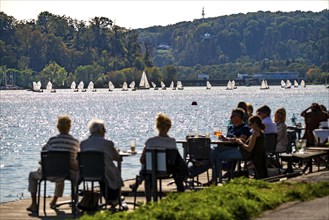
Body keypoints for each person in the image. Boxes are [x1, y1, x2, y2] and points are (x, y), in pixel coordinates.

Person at [27, 115, 80, 212]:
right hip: (66, 173)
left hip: (49, 173)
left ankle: (34, 204)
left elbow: (44, 153)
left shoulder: (52, 140)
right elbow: (76, 159)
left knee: (32, 175)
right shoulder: (75, 142)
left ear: (58, 127)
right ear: (70, 127)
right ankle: (72, 201)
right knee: (70, 175)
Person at [140, 113, 187, 202]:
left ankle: (149, 201)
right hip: (168, 171)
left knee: (146, 175)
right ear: (169, 127)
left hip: (150, 173)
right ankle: (181, 196)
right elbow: (177, 161)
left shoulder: (150, 141)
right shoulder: (172, 142)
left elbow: (142, 160)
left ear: (157, 126)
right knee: (177, 171)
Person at [80, 118, 123, 206]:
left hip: (86, 173)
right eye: (104, 129)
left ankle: (111, 199)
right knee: (113, 172)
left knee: (104, 172)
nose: (105, 131)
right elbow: (118, 158)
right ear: (100, 130)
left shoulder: (83, 144)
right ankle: (114, 198)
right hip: (104, 173)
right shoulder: (107, 144)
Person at [210, 108, 252, 183]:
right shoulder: (231, 127)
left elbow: (242, 140)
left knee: (216, 154)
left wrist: (228, 139)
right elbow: (227, 139)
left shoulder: (244, 128)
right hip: (227, 147)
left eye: (233, 116)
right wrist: (223, 138)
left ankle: (214, 177)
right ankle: (215, 176)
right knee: (214, 150)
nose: (230, 117)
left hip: (238, 149)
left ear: (238, 117)